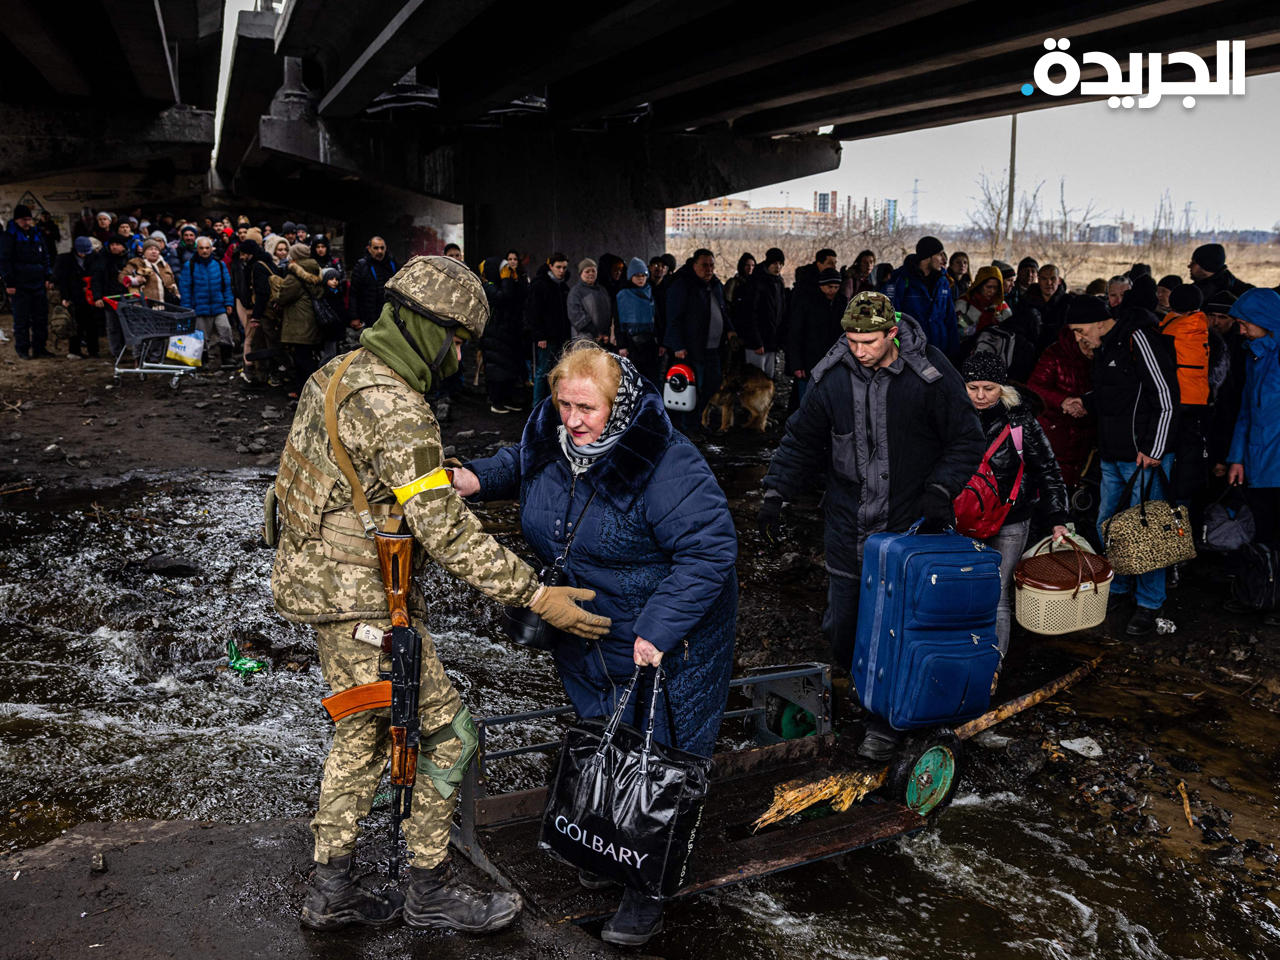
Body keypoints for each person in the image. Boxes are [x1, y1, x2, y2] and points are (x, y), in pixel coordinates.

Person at [272, 255, 608, 935]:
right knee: (451, 735)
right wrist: (536, 594)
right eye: (455, 340)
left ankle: (332, 889)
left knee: (363, 733)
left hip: (322, 589)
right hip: (363, 601)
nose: (458, 356)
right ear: (426, 328)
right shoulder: (398, 407)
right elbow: (446, 533)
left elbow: (323, 484)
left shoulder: (338, 373)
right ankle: (427, 888)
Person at [453, 340, 737, 947]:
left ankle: (647, 889)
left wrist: (659, 629)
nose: (573, 420)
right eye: (564, 404)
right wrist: (475, 477)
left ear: (620, 404)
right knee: (604, 738)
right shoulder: (553, 436)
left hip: (665, 639)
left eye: (588, 408)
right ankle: (608, 847)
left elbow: (710, 552)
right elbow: (522, 463)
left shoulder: (664, 461)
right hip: (587, 629)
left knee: (657, 756)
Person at [758, 291, 985, 758]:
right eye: (852, 340)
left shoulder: (930, 374)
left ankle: (885, 722)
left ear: (892, 333)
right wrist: (775, 493)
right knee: (843, 626)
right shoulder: (832, 378)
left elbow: (967, 438)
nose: (859, 350)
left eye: (869, 342)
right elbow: (801, 440)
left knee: (897, 627)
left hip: (908, 527)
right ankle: (857, 692)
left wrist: (941, 489)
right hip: (848, 525)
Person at [1063, 283, 1178, 637]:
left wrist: (1155, 449)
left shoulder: (1137, 338)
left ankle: (1150, 603)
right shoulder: (1105, 347)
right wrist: (1085, 401)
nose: (1080, 338)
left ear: (1100, 322)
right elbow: (1114, 392)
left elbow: (1165, 395)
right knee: (1109, 526)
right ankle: (1121, 587)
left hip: (1143, 456)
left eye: (1081, 330)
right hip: (1112, 454)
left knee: (1147, 531)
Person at [960, 353, 1069, 673]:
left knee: (997, 592)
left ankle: (991, 668)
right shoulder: (953, 415)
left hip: (1010, 521)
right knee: (963, 588)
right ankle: (962, 658)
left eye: (989, 388)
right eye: (973, 388)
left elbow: (1048, 470)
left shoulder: (1021, 423)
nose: (981, 396)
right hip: (964, 519)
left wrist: (1058, 519)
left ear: (1003, 388)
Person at [1226, 289, 1280, 550]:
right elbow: (1246, 412)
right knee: (1264, 536)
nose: (1240, 331)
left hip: (1273, 462)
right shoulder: (1255, 356)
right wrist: (1236, 459)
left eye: (1244, 324)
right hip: (1258, 463)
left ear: (1264, 320)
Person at [663, 248, 730, 432]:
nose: (709, 269)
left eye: (711, 265)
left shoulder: (715, 285)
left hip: (713, 348)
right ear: (694, 265)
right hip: (691, 348)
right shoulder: (682, 284)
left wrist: (730, 330)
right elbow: (673, 317)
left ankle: (697, 421)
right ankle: (686, 428)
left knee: (712, 384)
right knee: (691, 389)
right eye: (704, 265)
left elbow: (722, 311)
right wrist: (677, 345)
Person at [1158, 285, 1213, 507]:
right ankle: (1186, 505)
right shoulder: (1201, 326)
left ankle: (1169, 504)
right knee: (1189, 455)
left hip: (1175, 400)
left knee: (1169, 456)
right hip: (1199, 399)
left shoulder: (1171, 329)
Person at [1027, 324, 1096, 489]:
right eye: (1086, 348)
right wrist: (1062, 401)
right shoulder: (1056, 354)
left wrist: (1088, 403)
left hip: (1086, 436)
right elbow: (1034, 387)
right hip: (1055, 429)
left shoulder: (1103, 356)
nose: (1090, 352)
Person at [883, 236, 957, 358]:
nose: (944, 259)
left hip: (940, 351)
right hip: (911, 352)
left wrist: (954, 353)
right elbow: (890, 317)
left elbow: (950, 319)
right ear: (928, 256)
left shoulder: (943, 282)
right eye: (939, 254)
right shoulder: (901, 280)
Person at [785, 267, 846, 407]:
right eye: (830, 287)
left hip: (833, 361)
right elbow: (795, 335)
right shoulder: (806, 303)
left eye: (836, 287)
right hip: (809, 361)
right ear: (821, 285)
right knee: (807, 401)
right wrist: (797, 364)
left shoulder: (842, 303)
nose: (833, 291)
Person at [0, 204, 54, 358]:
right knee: (22, 319)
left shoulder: (36, 234)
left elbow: (45, 256)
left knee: (40, 318)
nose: (27, 222)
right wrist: (9, 283)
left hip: (38, 282)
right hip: (19, 284)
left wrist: (48, 276)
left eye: (29, 219)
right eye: (24, 219)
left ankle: (40, 348)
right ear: (17, 220)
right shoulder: (9, 236)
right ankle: (22, 349)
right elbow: (4, 261)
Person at [476, 255, 525, 414]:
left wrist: (515, 279)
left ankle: (507, 399)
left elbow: (519, 297)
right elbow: (503, 298)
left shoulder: (503, 284)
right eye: (503, 270)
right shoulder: (487, 286)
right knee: (496, 369)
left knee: (508, 368)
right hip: (494, 334)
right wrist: (506, 280)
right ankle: (496, 401)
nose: (506, 272)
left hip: (506, 333)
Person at [179, 236, 236, 371]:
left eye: (207, 248)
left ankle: (227, 357)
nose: (204, 251)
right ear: (197, 249)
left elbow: (227, 286)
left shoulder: (219, 264)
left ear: (211, 249)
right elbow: (185, 289)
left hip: (218, 305)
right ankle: (202, 361)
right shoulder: (190, 266)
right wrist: (187, 309)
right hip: (199, 307)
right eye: (201, 248)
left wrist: (229, 303)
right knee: (201, 336)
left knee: (225, 330)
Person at [275, 242, 324, 395]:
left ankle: (306, 391)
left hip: (299, 324)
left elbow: (283, 297)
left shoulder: (294, 276)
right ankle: (310, 389)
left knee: (301, 359)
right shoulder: (316, 270)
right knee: (308, 356)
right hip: (312, 320)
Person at [526, 253, 571, 405]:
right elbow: (533, 312)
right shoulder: (540, 285)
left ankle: (551, 405)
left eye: (564, 267)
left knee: (556, 372)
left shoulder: (562, 286)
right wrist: (540, 336)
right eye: (558, 267)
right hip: (546, 337)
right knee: (543, 372)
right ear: (550, 266)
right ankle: (537, 406)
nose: (562, 271)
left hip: (560, 336)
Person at [738, 247, 786, 378]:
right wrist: (756, 341)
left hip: (771, 341)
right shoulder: (756, 282)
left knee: (768, 378)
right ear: (768, 263)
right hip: (757, 343)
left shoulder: (778, 283)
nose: (778, 267)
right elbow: (749, 314)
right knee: (755, 379)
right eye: (775, 263)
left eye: (780, 264)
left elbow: (780, 312)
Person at [52, 235, 100, 358]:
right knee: (75, 324)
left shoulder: (94, 258)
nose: (84, 255)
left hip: (90, 294)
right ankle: (74, 350)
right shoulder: (65, 260)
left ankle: (93, 350)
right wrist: (65, 297)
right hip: (74, 295)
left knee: (92, 324)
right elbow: (62, 280)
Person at [616, 257, 660, 385]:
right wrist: (622, 345)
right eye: (637, 275)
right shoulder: (623, 295)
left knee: (652, 379)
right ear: (631, 277)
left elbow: (657, 318)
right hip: (631, 344)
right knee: (634, 379)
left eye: (643, 275)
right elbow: (618, 321)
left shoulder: (651, 291)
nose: (641, 278)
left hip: (650, 343)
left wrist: (660, 341)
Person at [90, 234, 131, 358]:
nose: (114, 247)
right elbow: (96, 279)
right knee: (113, 326)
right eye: (112, 244)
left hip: (127, 297)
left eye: (117, 244)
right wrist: (97, 297)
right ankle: (117, 351)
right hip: (110, 297)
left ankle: (127, 348)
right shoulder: (102, 259)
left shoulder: (129, 259)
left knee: (127, 325)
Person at [348, 236, 399, 328]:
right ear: (369, 249)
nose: (379, 251)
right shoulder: (361, 266)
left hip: (390, 313)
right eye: (376, 248)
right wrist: (354, 317)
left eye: (382, 248)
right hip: (369, 316)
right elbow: (353, 293)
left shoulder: (392, 263)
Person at [955, 264, 1011, 344]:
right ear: (979, 285)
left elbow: (1011, 331)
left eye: (995, 288)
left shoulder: (1001, 305)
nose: (992, 291)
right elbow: (960, 331)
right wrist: (980, 327)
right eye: (988, 287)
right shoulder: (963, 303)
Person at [567, 258, 612, 345]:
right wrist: (596, 333)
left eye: (593, 271)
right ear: (581, 273)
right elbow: (576, 318)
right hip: (584, 341)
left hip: (602, 340)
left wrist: (606, 333)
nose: (591, 273)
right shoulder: (576, 292)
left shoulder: (602, 290)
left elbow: (608, 314)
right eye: (587, 271)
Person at [122, 238, 179, 303]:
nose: (154, 251)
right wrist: (134, 280)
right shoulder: (136, 263)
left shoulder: (165, 265)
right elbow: (122, 277)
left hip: (165, 305)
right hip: (144, 305)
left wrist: (177, 295)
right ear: (144, 252)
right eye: (150, 249)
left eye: (156, 249)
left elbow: (172, 282)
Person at [723, 252, 755, 319]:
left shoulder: (756, 283)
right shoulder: (733, 282)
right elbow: (727, 304)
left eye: (753, 265)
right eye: (747, 265)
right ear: (742, 266)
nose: (750, 268)